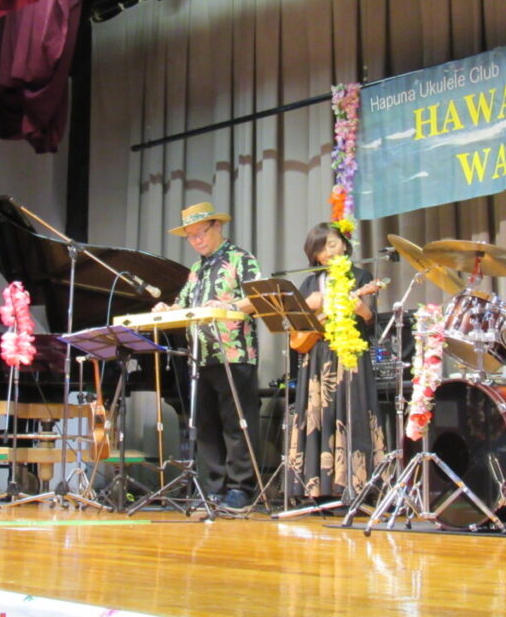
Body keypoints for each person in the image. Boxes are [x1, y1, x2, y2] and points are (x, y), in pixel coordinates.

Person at [153, 202, 262, 513]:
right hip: (200, 357)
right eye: (190, 236)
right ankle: (214, 487)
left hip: (234, 353)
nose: (196, 240)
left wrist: (229, 307)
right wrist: (167, 309)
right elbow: (184, 304)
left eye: (200, 233)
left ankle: (241, 489)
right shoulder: (196, 270)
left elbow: (258, 297)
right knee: (206, 425)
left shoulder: (241, 258)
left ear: (218, 227)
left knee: (236, 423)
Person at [286, 222, 386, 504]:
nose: (328, 253)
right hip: (316, 358)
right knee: (317, 418)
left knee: (352, 414)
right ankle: (315, 489)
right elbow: (292, 325)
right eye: (321, 249)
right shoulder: (310, 283)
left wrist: (363, 311)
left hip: (350, 356)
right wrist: (307, 305)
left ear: (344, 243)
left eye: (332, 244)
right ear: (314, 256)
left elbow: (373, 323)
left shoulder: (361, 277)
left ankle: (354, 487)